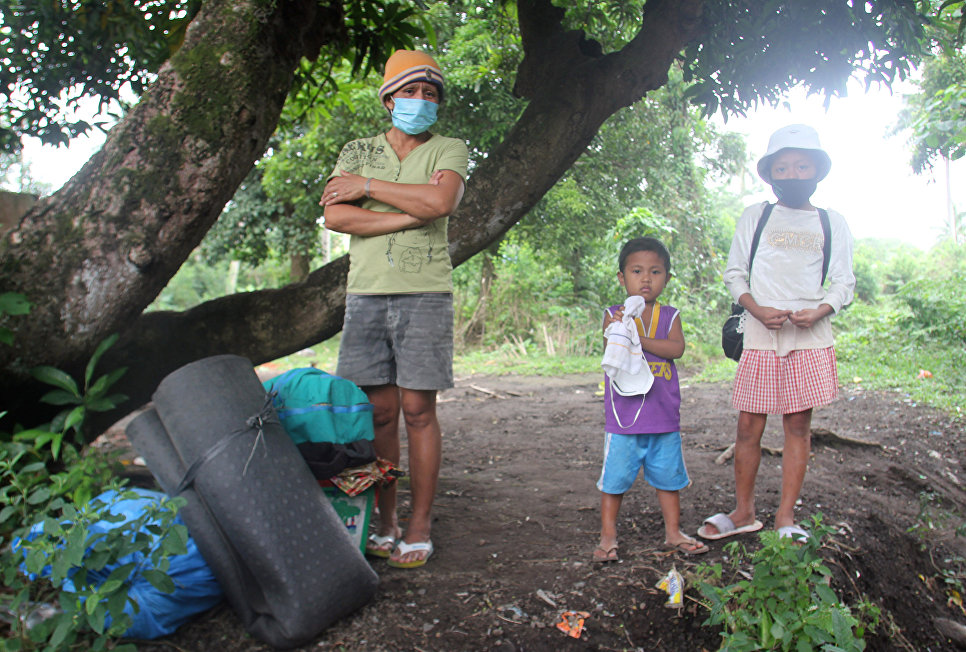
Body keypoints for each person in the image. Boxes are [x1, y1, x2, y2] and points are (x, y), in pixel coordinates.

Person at [320, 50, 469, 568]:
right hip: (366, 295)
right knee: (378, 412)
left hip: (425, 294)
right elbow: (336, 218)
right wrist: (407, 214)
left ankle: (419, 523)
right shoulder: (358, 149)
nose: (420, 101)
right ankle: (383, 522)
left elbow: (440, 204)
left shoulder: (448, 148)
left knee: (417, 411)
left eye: (430, 94)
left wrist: (367, 191)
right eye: (410, 92)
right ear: (388, 99)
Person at [698, 124, 855, 543]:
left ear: (818, 171)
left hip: (810, 339)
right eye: (782, 167)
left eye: (802, 165)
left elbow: (843, 282)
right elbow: (735, 274)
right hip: (760, 335)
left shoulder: (831, 221)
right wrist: (757, 310)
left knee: (797, 428)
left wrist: (820, 311)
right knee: (748, 427)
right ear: (770, 174)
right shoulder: (757, 215)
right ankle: (744, 511)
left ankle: (786, 517)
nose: (792, 174)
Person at [593, 237, 708, 562]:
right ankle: (607, 538)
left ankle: (673, 533)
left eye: (655, 272)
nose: (646, 279)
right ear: (622, 277)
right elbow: (610, 351)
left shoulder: (670, 316)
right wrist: (624, 331)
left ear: (667, 278)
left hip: (663, 419)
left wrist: (638, 338)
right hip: (624, 421)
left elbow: (676, 350)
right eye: (637, 271)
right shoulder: (613, 316)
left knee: (668, 479)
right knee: (614, 481)